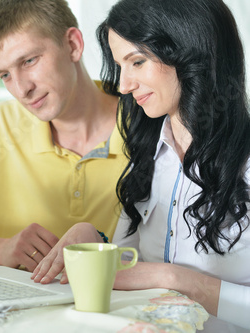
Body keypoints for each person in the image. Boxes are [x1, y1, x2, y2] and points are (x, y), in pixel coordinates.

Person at [31, 0, 250, 328]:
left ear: (190, 52)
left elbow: (162, 276)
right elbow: (129, 266)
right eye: (121, 65)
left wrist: (180, 281)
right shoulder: (149, 155)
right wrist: (94, 239)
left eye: (137, 61)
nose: (123, 85)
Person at [0, 0, 128, 272]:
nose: (21, 89)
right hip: (23, 311)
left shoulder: (148, 124)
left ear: (73, 45)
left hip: (122, 307)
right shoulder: (0, 126)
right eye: (5, 75)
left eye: (29, 61)